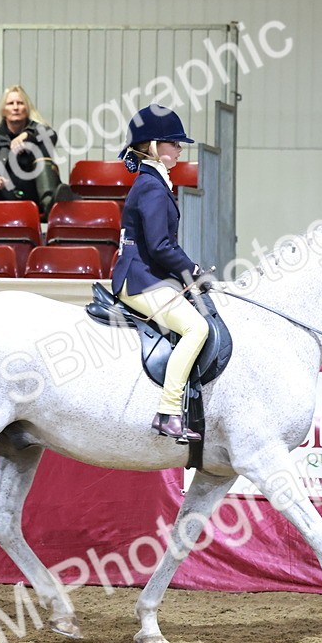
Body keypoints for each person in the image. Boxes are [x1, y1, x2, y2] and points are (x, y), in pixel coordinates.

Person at [111, 104, 210, 443]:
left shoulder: (152, 181)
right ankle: (168, 411)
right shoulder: (152, 186)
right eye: (174, 143)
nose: (180, 148)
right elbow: (160, 246)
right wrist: (192, 271)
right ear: (153, 146)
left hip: (147, 274)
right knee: (196, 328)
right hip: (139, 278)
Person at [0, 85, 66, 214]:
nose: (16, 107)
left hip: (33, 190)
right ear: (3, 110)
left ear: (26, 109)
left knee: (42, 142)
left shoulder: (38, 130)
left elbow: (51, 135)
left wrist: (27, 136)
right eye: (10, 104)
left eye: (20, 103)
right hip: (4, 192)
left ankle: (48, 202)